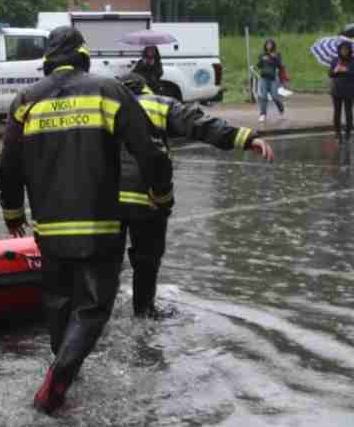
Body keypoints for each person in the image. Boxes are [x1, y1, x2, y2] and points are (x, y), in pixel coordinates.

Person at [0, 26, 173, 415]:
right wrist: (161, 195)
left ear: (48, 61)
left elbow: (8, 165)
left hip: (49, 227)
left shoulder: (25, 100)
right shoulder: (108, 91)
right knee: (94, 307)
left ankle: (62, 374)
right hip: (100, 225)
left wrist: (12, 212)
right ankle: (59, 380)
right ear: (84, 56)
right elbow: (150, 151)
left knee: (59, 302)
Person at [116, 73, 273, 319]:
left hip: (104, 201)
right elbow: (198, 123)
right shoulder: (157, 104)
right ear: (146, 88)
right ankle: (144, 312)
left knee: (104, 262)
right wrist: (243, 137)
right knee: (147, 259)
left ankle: (99, 313)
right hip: (147, 197)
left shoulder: (103, 107)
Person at [255, 38, 288, 123]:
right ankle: (262, 115)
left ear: (273, 45)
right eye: (267, 44)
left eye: (270, 44)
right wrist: (260, 61)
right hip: (263, 78)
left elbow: (280, 66)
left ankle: (281, 110)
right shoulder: (262, 55)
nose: (269, 46)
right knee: (263, 97)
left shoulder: (277, 54)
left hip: (273, 79)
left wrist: (274, 58)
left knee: (275, 97)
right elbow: (259, 65)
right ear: (265, 45)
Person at [330, 42, 354, 140]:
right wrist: (335, 71)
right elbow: (330, 74)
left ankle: (348, 132)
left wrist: (346, 70)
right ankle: (337, 132)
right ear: (339, 50)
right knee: (337, 112)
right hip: (336, 90)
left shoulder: (353, 61)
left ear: (349, 50)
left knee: (348, 112)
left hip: (349, 90)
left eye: (346, 49)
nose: (344, 51)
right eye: (342, 49)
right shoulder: (335, 60)